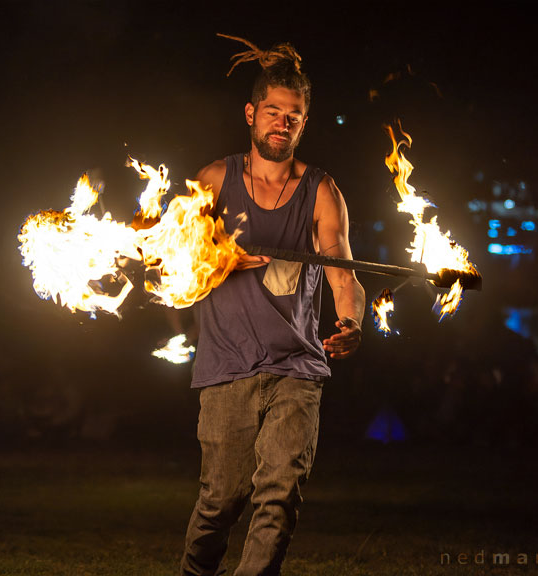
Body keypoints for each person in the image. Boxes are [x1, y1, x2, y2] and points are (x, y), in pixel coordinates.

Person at [180, 38, 365, 576]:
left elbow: (341, 268)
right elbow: (172, 260)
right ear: (251, 114)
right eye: (273, 112)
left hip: (296, 366)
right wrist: (225, 258)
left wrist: (351, 320)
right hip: (227, 365)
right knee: (221, 501)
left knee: (279, 494)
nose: (282, 123)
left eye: (294, 116)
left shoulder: (321, 190)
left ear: (303, 124)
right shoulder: (213, 180)